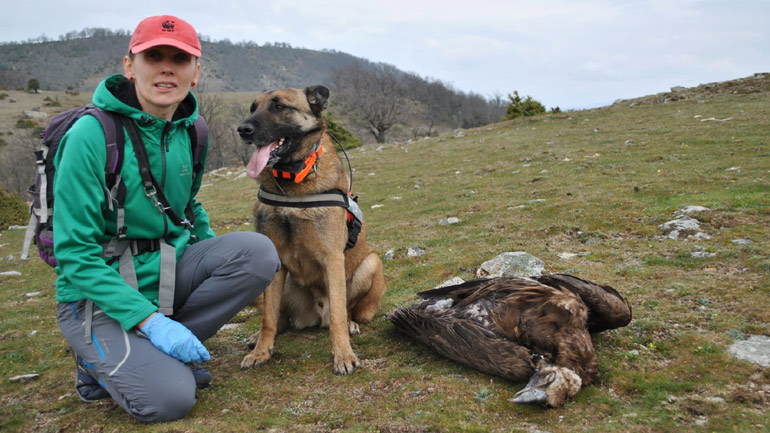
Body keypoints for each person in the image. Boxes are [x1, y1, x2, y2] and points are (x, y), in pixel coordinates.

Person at [53, 15, 280, 423]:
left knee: (257, 253)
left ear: (195, 73)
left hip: (164, 273)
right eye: (153, 55)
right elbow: (75, 254)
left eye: (179, 58)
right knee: (171, 400)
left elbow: (188, 209)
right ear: (129, 66)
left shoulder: (194, 131)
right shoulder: (90, 135)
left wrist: (212, 257)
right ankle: (97, 366)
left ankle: (155, 350)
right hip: (95, 294)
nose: (166, 67)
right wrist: (152, 322)